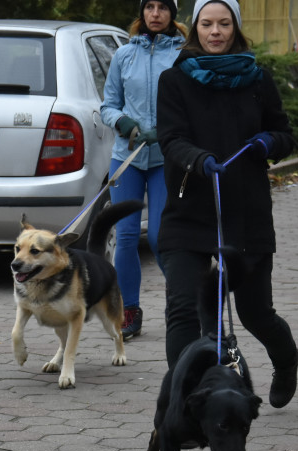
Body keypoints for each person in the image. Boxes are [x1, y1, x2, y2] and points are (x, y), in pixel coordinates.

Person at [156, 0, 298, 408]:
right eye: (207, 24)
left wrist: (269, 141)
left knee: (255, 314)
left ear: (235, 27)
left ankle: (287, 360)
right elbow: (170, 139)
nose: (215, 31)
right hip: (189, 213)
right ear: (195, 29)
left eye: (223, 24)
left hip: (246, 214)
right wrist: (197, 159)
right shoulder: (174, 80)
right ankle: (185, 397)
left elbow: (284, 133)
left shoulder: (258, 79)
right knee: (184, 312)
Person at [100, 0, 186, 340]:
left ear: (172, 14)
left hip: (167, 158)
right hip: (128, 157)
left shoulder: (183, 55)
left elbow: (190, 106)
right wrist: (123, 122)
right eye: (149, 6)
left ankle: (183, 302)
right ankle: (128, 311)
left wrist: (166, 131)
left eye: (163, 7)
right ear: (142, 13)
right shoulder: (124, 55)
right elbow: (108, 105)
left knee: (160, 237)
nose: (155, 13)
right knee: (125, 237)